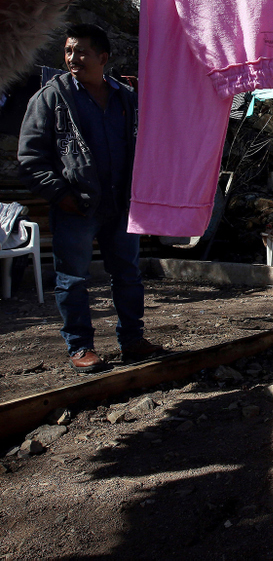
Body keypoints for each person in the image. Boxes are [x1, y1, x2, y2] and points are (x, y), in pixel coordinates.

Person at [18, 24, 163, 373]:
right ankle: (80, 346)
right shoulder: (51, 98)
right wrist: (60, 194)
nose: (73, 58)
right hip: (76, 207)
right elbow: (30, 158)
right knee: (73, 279)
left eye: (81, 51)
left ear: (103, 57)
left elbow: (144, 143)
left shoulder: (125, 96)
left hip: (120, 205)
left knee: (127, 275)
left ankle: (132, 340)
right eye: (69, 51)